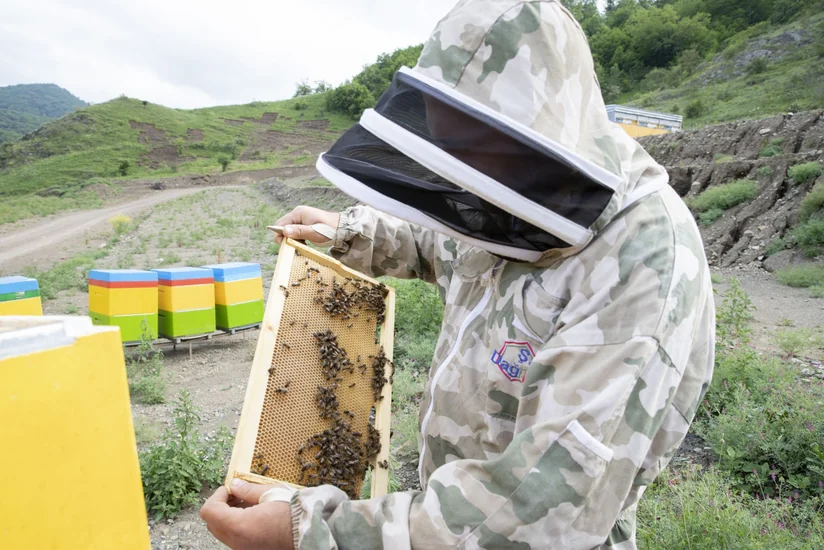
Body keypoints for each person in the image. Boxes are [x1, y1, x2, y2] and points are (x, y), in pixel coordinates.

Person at [200, 1, 715, 548]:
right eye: (451, 155)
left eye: (477, 157)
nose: (466, 182)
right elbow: (453, 243)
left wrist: (311, 533)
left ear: (541, 139)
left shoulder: (644, 267)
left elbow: (539, 509)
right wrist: (350, 231)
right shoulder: (512, 190)